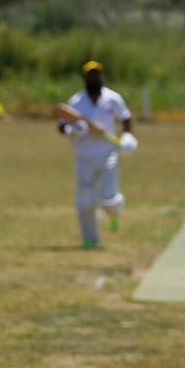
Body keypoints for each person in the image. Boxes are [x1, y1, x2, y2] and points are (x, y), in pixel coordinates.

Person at [55, 59, 133, 248]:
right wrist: (71, 131)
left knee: (108, 198)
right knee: (85, 200)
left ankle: (114, 214)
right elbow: (63, 123)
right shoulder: (77, 101)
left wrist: (128, 136)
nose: (94, 77)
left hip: (108, 153)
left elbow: (125, 117)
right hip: (84, 156)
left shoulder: (112, 98)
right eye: (90, 74)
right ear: (85, 77)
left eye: (97, 74)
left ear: (102, 76)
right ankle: (90, 238)